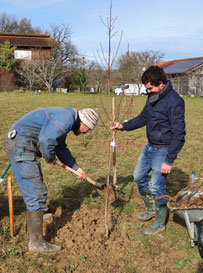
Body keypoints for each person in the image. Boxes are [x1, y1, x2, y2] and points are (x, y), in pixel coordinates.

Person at [5, 106, 98, 252]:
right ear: (85, 123)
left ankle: (39, 214)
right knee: (35, 192)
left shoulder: (66, 118)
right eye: (89, 130)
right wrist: (49, 157)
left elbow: (60, 147)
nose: (86, 133)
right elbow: (46, 141)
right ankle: (36, 243)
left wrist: (76, 168)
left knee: (37, 183)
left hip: (23, 143)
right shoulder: (66, 120)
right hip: (21, 145)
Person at [112, 66, 186, 235]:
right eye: (146, 88)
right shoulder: (152, 96)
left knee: (156, 186)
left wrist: (169, 159)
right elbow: (143, 117)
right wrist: (123, 126)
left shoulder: (174, 102)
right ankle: (151, 207)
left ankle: (160, 223)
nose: (147, 91)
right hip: (150, 146)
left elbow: (179, 133)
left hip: (164, 149)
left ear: (161, 84)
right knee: (138, 176)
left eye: (150, 88)